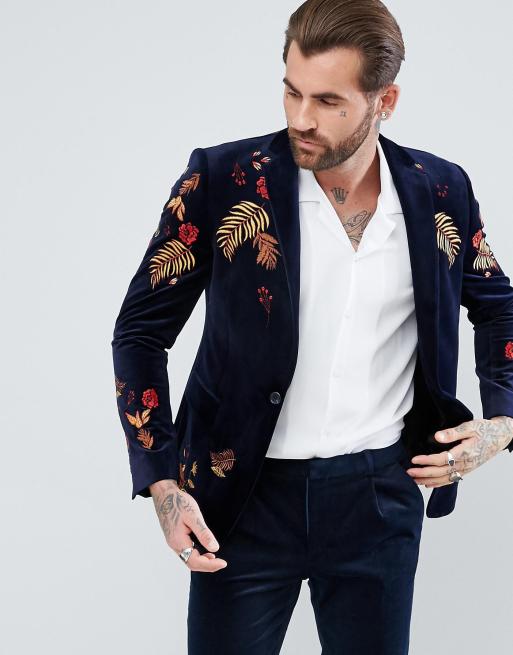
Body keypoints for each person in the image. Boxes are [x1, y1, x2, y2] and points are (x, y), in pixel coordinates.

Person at [111, 0, 513, 652]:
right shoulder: (223, 181)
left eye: (328, 101)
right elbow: (139, 332)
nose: (301, 118)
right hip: (241, 498)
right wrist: (161, 480)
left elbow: (499, 306)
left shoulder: (440, 191)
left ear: (385, 101)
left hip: (378, 499)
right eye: (291, 91)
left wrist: (502, 422)